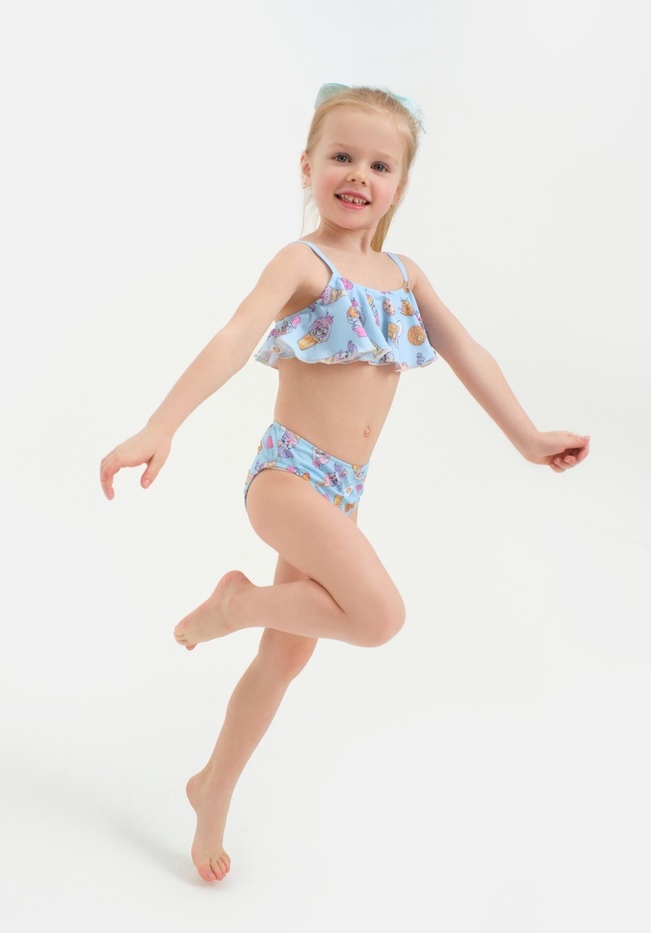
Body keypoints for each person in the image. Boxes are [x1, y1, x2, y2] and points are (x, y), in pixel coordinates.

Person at [99, 83, 590, 882]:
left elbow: (468, 351)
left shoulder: (404, 275)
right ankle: (234, 605)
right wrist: (162, 425)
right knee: (379, 615)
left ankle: (211, 785)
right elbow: (233, 336)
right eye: (341, 156)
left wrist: (528, 437)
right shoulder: (303, 262)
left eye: (378, 164)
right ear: (308, 166)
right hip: (288, 477)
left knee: (284, 659)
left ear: (399, 184)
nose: (358, 173)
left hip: (343, 491)